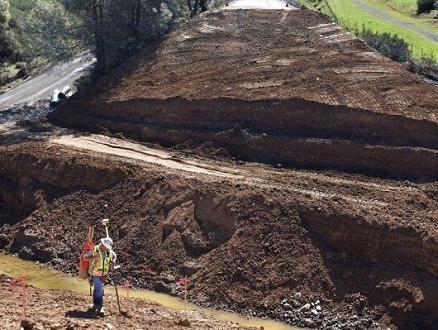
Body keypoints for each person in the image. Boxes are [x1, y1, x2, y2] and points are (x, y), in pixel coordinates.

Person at [81, 237, 117, 316]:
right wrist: (94, 257)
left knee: (98, 290)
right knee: (100, 290)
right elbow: (84, 258)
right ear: (103, 244)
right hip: (94, 274)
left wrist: (113, 263)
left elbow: (114, 255)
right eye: (106, 247)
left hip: (103, 275)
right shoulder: (94, 250)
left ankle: (94, 305)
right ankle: (100, 308)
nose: (107, 248)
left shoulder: (109, 252)